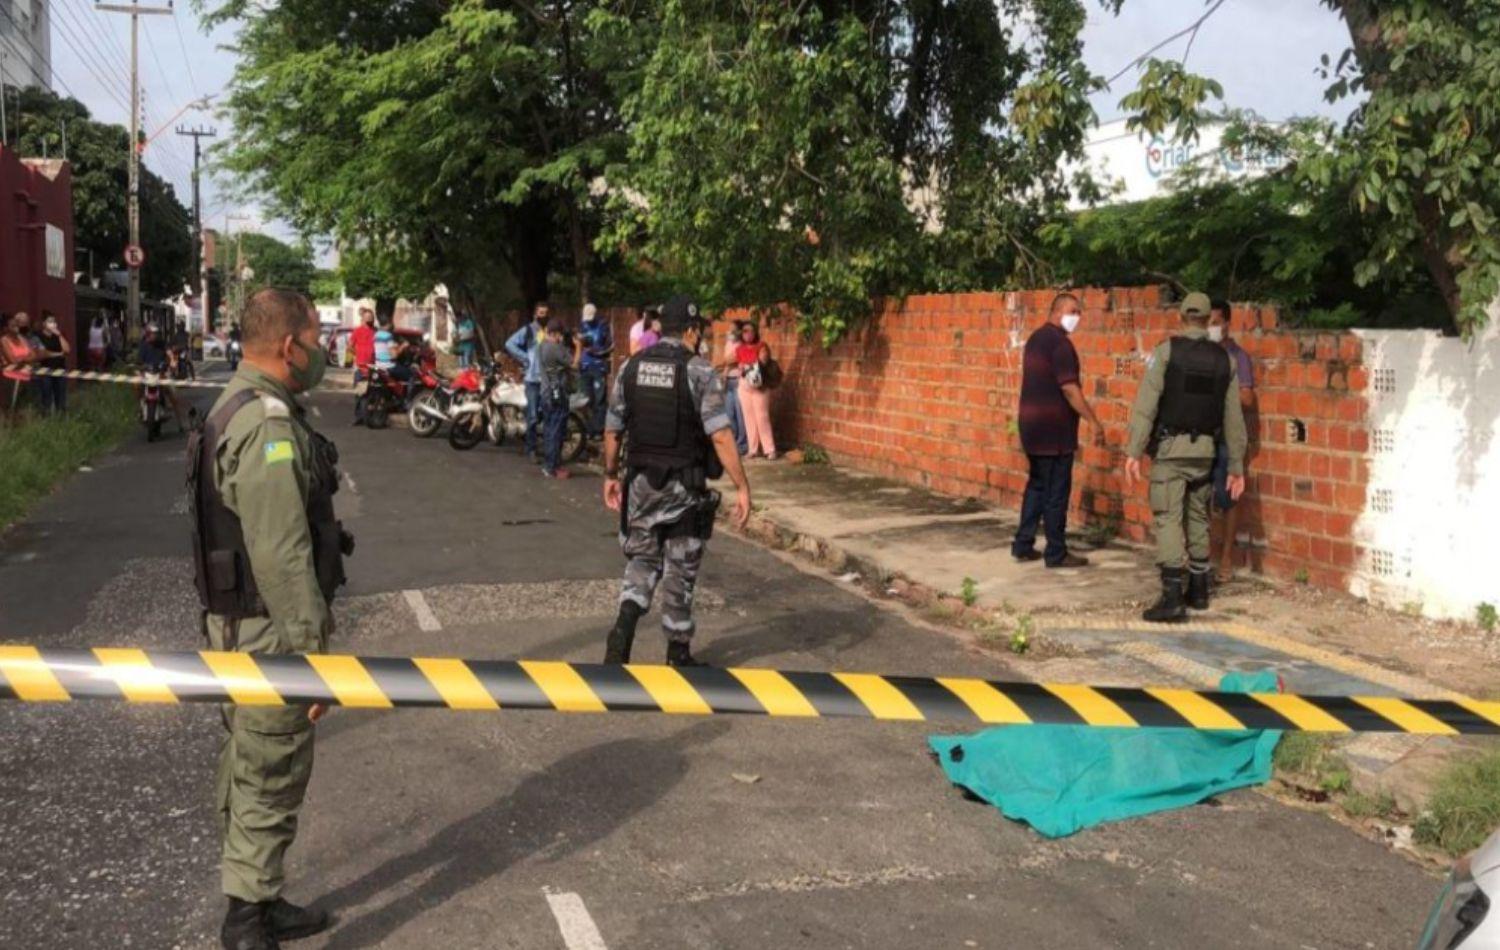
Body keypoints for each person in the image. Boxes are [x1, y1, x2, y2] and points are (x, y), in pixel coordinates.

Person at [187, 288, 348, 950]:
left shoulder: (239, 403)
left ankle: (260, 895)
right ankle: (247, 925)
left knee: (256, 764)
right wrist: (315, 658)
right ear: (290, 346)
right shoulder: (267, 427)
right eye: (316, 337)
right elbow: (281, 556)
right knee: (269, 770)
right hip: (269, 637)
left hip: (243, 630)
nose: (322, 350)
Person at [601, 294, 752, 667]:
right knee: (680, 569)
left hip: (639, 485)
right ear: (689, 330)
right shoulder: (699, 371)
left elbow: (612, 429)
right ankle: (678, 651)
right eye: (697, 331)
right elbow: (720, 434)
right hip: (683, 489)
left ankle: (624, 626)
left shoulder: (630, 368)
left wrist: (609, 475)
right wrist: (742, 486)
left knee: (642, 559)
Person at [1125, 291, 1249, 623]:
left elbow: (1145, 406)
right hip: (1205, 453)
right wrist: (1236, 466)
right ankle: (1199, 590)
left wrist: (1134, 450)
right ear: (1210, 319)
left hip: (1171, 451)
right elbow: (1234, 419)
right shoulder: (1227, 361)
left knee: (1167, 516)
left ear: (1181, 317)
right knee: (1198, 517)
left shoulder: (1166, 353)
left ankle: (1171, 598)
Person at [1011, 292, 1104, 569]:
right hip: (1054, 433)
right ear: (1058, 310)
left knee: (1037, 486)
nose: (1077, 317)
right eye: (1073, 311)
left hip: (1031, 428)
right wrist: (1093, 421)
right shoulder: (1061, 345)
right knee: (1056, 492)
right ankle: (1056, 552)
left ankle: (1023, 544)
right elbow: (1069, 389)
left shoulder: (1036, 340)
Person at [1207, 298, 1256, 583]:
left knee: (1228, 500)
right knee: (1197, 497)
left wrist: (1222, 385)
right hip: (1201, 434)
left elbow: (1248, 398)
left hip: (1227, 436)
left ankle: (1226, 558)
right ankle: (1199, 556)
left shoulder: (1239, 357)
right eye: (1207, 323)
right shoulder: (1200, 353)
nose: (1211, 328)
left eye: (1215, 322)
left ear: (1227, 323)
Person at [504, 302, 550, 461]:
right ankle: (531, 449)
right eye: (541, 313)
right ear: (535, 314)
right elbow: (509, 344)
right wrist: (526, 358)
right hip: (532, 379)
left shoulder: (550, 331)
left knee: (547, 413)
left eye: (546, 313)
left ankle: (548, 448)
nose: (544, 316)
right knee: (532, 416)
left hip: (548, 379)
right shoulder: (529, 330)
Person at [537, 322, 577, 479]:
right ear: (555, 334)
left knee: (548, 430)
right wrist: (578, 346)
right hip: (557, 394)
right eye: (560, 335)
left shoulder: (542, 346)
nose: (561, 338)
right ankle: (552, 467)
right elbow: (574, 363)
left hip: (546, 392)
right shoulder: (555, 348)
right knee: (556, 431)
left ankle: (550, 464)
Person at [735, 321, 778, 459]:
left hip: (759, 384)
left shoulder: (761, 346)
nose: (748, 334)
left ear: (755, 332)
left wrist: (747, 365)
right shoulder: (739, 348)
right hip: (744, 384)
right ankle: (753, 449)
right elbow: (735, 362)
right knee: (748, 418)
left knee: (762, 417)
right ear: (741, 333)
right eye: (745, 331)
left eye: (751, 331)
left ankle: (769, 449)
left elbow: (763, 361)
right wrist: (740, 367)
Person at [138, 323, 189, 433]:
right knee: (136, 385)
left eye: (156, 334)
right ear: (148, 334)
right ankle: (140, 406)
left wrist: (172, 362)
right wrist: (140, 368)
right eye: (152, 334)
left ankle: (181, 423)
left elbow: (169, 354)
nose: (154, 336)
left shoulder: (162, 344)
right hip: (147, 373)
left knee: (173, 393)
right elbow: (139, 360)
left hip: (161, 373)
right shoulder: (143, 345)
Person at [577, 303, 614, 440]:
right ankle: (588, 429)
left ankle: (599, 430)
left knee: (599, 400)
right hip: (585, 367)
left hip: (598, 366)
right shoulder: (582, 325)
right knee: (586, 399)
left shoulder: (603, 326)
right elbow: (577, 345)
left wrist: (597, 352)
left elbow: (611, 346)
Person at [718, 321, 749, 456]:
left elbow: (731, 360)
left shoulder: (741, 345)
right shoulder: (729, 344)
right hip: (728, 380)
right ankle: (734, 442)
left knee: (740, 414)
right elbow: (726, 361)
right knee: (729, 414)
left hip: (737, 380)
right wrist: (724, 372)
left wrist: (725, 364)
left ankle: (742, 444)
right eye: (729, 329)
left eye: (733, 330)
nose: (730, 332)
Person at [2, 311, 41, 412]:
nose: (16, 327)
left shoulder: (22, 338)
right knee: (10, 409)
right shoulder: (4, 340)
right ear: (6, 328)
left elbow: (35, 356)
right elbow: (13, 360)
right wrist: (27, 358)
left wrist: (22, 359)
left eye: (16, 325)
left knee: (24, 408)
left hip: (25, 378)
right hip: (10, 379)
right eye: (13, 325)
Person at [36, 312, 71, 414]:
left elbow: (67, 350)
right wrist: (59, 354)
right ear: (44, 323)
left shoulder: (58, 336)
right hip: (45, 371)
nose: (53, 324)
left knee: (61, 398)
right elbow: (43, 354)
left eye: (54, 321)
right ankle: (46, 418)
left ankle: (61, 417)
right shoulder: (39, 336)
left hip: (60, 370)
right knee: (46, 397)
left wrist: (59, 335)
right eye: (50, 321)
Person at [350, 308, 377, 425]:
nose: (369, 319)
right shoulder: (357, 331)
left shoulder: (375, 332)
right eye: (367, 317)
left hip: (373, 367)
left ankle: (368, 416)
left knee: (371, 393)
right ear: (363, 319)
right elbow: (350, 346)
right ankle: (358, 417)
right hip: (360, 367)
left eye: (371, 317)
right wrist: (358, 355)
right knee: (359, 393)